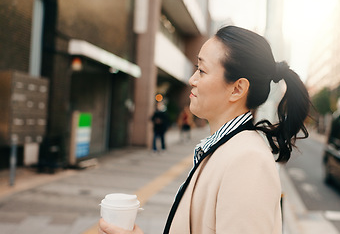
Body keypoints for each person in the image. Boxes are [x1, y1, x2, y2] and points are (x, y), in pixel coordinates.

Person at [98, 25, 310, 234]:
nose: (192, 80)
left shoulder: (248, 160)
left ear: (237, 89)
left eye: (201, 70)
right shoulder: (225, 148)